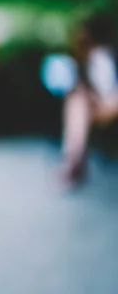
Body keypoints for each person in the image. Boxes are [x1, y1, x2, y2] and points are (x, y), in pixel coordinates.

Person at [59, 12, 118, 186]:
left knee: (77, 102)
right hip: (102, 103)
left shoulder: (102, 55)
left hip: (109, 103)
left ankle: (73, 161)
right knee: (76, 102)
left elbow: (107, 89)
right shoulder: (85, 59)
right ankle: (73, 160)